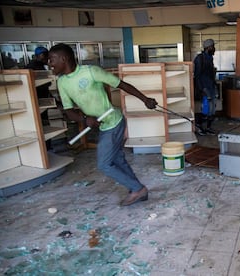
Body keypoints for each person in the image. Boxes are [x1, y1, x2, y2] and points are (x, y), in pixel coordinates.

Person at [48, 43, 158, 206]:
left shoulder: (91, 71)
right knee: (117, 159)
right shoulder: (62, 82)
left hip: (113, 121)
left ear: (63, 59)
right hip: (102, 125)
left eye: (52, 60)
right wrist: (85, 120)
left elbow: (122, 85)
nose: (49, 64)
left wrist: (145, 100)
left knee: (104, 164)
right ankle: (136, 188)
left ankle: (137, 189)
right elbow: (69, 111)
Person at [193, 38, 218, 135]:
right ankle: (199, 126)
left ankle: (208, 128)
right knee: (206, 109)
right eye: (213, 46)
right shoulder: (200, 58)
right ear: (208, 47)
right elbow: (197, 75)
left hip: (211, 86)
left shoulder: (210, 58)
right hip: (204, 87)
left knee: (212, 109)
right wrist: (202, 89)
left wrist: (214, 86)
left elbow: (211, 74)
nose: (214, 49)